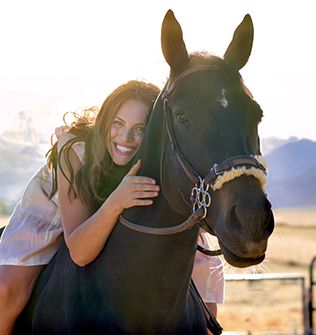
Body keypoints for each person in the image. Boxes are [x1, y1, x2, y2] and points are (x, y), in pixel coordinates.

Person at [0, 80, 223, 334]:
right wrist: (116, 201)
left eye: (140, 128)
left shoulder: (160, 153)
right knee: (7, 291)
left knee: (207, 290)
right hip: (54, 209)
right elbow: (80, 253)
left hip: (123, 199)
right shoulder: (75, 149)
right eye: (117, 123)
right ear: (106, 121)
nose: (126, 138)